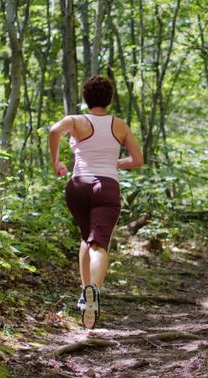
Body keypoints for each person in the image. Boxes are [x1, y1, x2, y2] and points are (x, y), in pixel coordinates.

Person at [49, 75, 143, 329]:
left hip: (78, 185)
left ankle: (84, 294)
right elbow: (137, 160)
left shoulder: (75, 121)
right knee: (98, 245)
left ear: (85, 98)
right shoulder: (119, 125)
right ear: (109, 99)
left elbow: (53, 130)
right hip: (106, 187)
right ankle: (93, 292)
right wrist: (114, 162)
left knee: (85, 238)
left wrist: (56, 163)